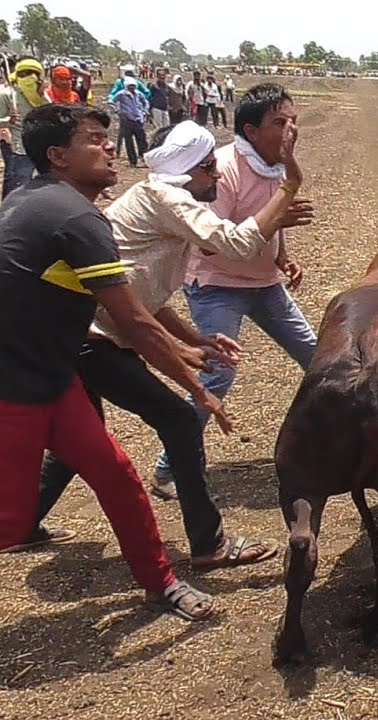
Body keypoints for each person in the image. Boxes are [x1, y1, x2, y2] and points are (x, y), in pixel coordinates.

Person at [29, 120, 312, 567]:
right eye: (209, 168)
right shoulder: (167, 198)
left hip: (80, 333)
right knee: (180, 420)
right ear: (188, 170)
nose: (217, 177)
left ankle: (24, 523)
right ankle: (208, 543)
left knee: (79, 437)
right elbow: (234, 245)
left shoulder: (153, 203)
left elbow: (144, 297)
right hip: (93, 338)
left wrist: (193, 337)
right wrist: (289, 184)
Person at [0, 103, 222, 621]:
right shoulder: (76, 218)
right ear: (58, 156)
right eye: (94, 140)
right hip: (14, 389)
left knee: (117, 475)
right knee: (8, 524)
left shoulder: (34, 199)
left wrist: (189, 348)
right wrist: (196, 386)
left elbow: (142, 309)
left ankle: (160, 582)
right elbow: (136, 324)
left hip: (53, 380)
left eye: (107, 137)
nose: (109, 146)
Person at [154, 83, 318, 491]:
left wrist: (282, 257)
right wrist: (273, 227)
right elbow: (208, 245)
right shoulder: (222, 170)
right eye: (280, 122)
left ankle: (330, 439)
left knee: (317, 358)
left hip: (264, 284)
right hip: (217, 286)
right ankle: (168, 469)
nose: (290, 130)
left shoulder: (277, 165)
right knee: (216, 376)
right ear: (250, 130)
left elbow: (265, 221)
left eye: (293, 120)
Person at [0, 57, 46, 198]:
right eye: (24, 74)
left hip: (39, 146)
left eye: (32, 74)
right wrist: (9, 120)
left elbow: (49, 112)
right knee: (17, 187)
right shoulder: (7, 94)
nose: (28, 78)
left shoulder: (40, 94)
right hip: (18, 148)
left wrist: (41, 94)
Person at [111, 78, 150, 168]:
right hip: (126, 120)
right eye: (130, 86)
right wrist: (118, 111)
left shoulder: (139, 94)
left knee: (142, 140)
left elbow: (146, 102)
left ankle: (145, 159)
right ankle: (133, 161)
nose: (132, 88)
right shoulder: (121, 94)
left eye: (133, 86)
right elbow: (111, 102)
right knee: (129, 142)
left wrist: (144, 111)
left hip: (138, 120)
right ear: (126, 86)